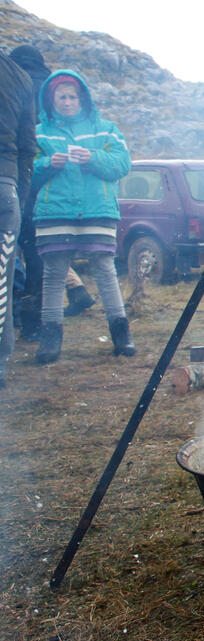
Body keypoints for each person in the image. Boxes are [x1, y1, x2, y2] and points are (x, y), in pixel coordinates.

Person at [31, 70, 135, 363]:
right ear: (51, 100)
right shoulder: (40, 132)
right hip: (55, 211)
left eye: (72, 96)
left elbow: (122, 164)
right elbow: (27, 166)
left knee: (105, 270)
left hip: (97, 209)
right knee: (53, 274)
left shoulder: (106, 129)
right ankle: (50, 342)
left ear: (82, 98)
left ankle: (122, 336)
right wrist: (47, 163)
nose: (66, 102)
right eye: (60, 96)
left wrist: (93, 157)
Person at [8, 47, 96, 336]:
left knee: (17, 252)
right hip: (41, 186)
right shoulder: (49, 84)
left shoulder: (11, 80)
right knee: (38, 253)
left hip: (18, 173)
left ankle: (18, 319)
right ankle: (33, 325)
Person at [0, 52, 36, 388]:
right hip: (6, 186)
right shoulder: (19, 76)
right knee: (1, 283)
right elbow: (28, 147)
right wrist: (18, 197)